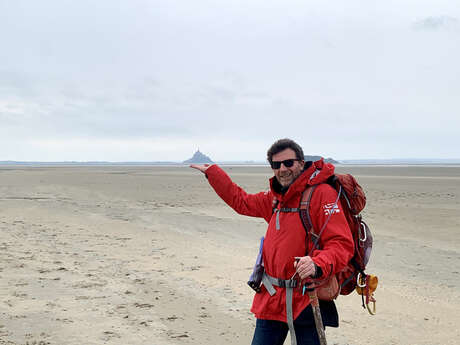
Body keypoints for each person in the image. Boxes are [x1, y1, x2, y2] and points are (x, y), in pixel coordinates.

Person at [190, 138, 354, 345]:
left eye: (288, 163)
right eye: (276, 165)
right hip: (272, 298)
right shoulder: (275, 199)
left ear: (301, 163)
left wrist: (317, 263)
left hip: (306, 300)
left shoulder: (322, 195)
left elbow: (341, 244)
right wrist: (213, 173)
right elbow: (241, 201)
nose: (282, 169)